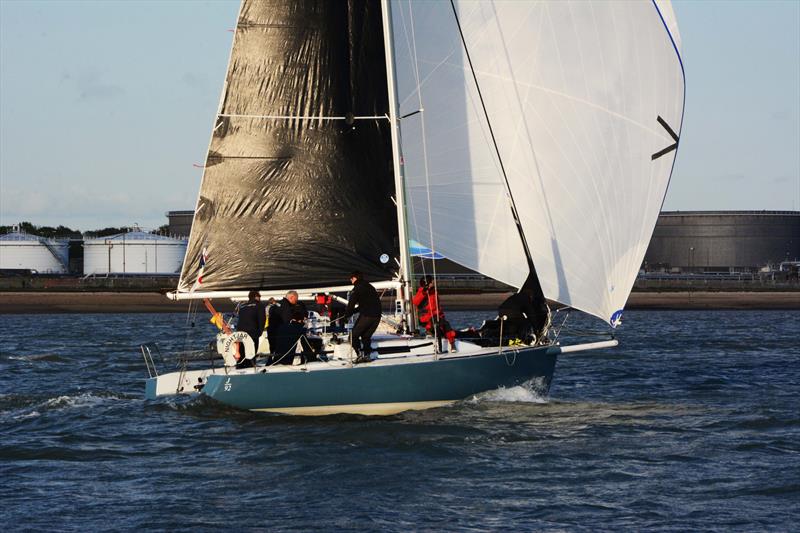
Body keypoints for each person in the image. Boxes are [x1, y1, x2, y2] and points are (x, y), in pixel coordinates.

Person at [345, 271, 382, 364]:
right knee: (366, 336)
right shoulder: (370, 286)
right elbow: (365, 304)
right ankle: (367, 355)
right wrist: (353, 311)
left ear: (355, 278)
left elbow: (351, 304)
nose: (350, 280)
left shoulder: (357, 288)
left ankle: (360, 355)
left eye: (351, 278)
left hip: (367, 316)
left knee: (353, 336)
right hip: (377, 317)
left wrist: (347, 315)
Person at [412, 276, 457, 352]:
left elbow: (437, 308)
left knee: (445, 324)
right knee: (439, 322)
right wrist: (424, 291)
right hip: (426, 319)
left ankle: (452, 343)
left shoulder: (434, 292)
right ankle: (440, 345)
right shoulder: (422, 291)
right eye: (432, 281)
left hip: (436, 316)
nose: (433, 282)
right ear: (428, 283)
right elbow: (415, 301)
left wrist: (441, 316)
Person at [235, 290, 266, 368]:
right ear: (256, 297)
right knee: (252, 352)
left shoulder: (243, 306)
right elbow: (262, 320)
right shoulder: (259, 306)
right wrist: (260, 332)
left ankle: (240, 366)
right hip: (253, 333)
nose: (260, 298)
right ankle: (251, 366)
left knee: (242, 352)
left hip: (241, 333)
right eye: (259, 297)